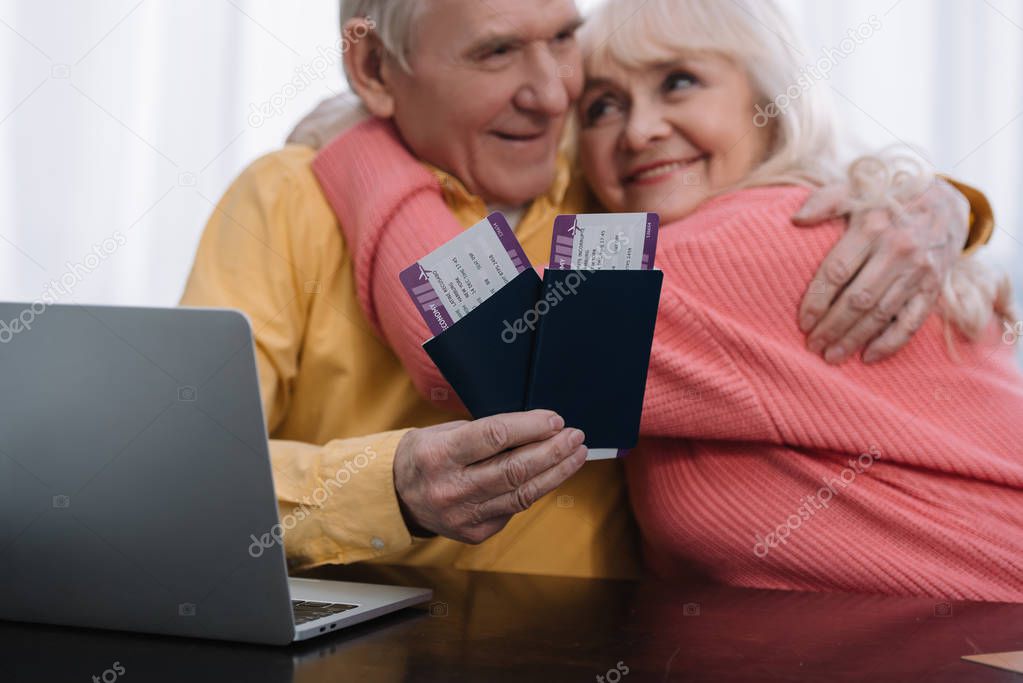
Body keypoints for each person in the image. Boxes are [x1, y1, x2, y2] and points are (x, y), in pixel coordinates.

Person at [182, 0, 990, 579]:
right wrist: (377, 488)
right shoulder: (617, 189)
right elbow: (179, 482)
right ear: (373, 69)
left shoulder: (648, 211)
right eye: (496, 52)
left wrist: (364, 151)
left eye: (564, 39)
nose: (554, 97)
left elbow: (501, 359)